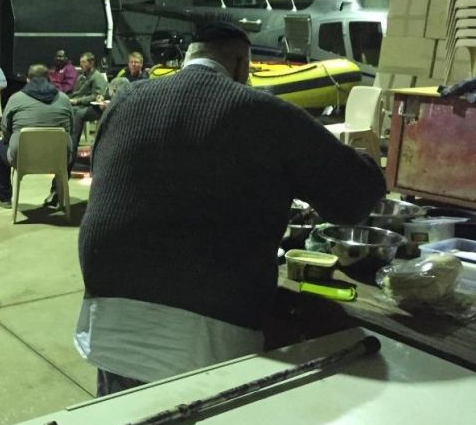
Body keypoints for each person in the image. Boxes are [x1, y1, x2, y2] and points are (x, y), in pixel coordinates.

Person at [74, 22, 386, 397]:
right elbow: (356, 198)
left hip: (108, 323)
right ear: (241, 64)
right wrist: (370, 152)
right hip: (209, 339)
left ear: (190, 57)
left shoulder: (124, 103)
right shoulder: (263, 113)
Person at [0, 64, 73, 208]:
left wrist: (11, 140)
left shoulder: (16, 98)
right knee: (70, 146)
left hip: (23, 159)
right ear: (49, 79)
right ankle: (57, 193)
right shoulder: (64, 99)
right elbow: (70, 129)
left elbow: (5, 128)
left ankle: (5, 198)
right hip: (58, 158)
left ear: (28, 79)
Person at [45, 52, 107, 207]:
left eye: (84, 62)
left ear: (91, 63)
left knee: (76, 115)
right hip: (78, 106)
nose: (82, 65)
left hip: (93, 109)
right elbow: (76, 92)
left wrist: (77, 100)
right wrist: (68, 99)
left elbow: (97, 96)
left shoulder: (97, 77)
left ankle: (71, 141)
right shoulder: (81, 77)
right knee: (70, 110)